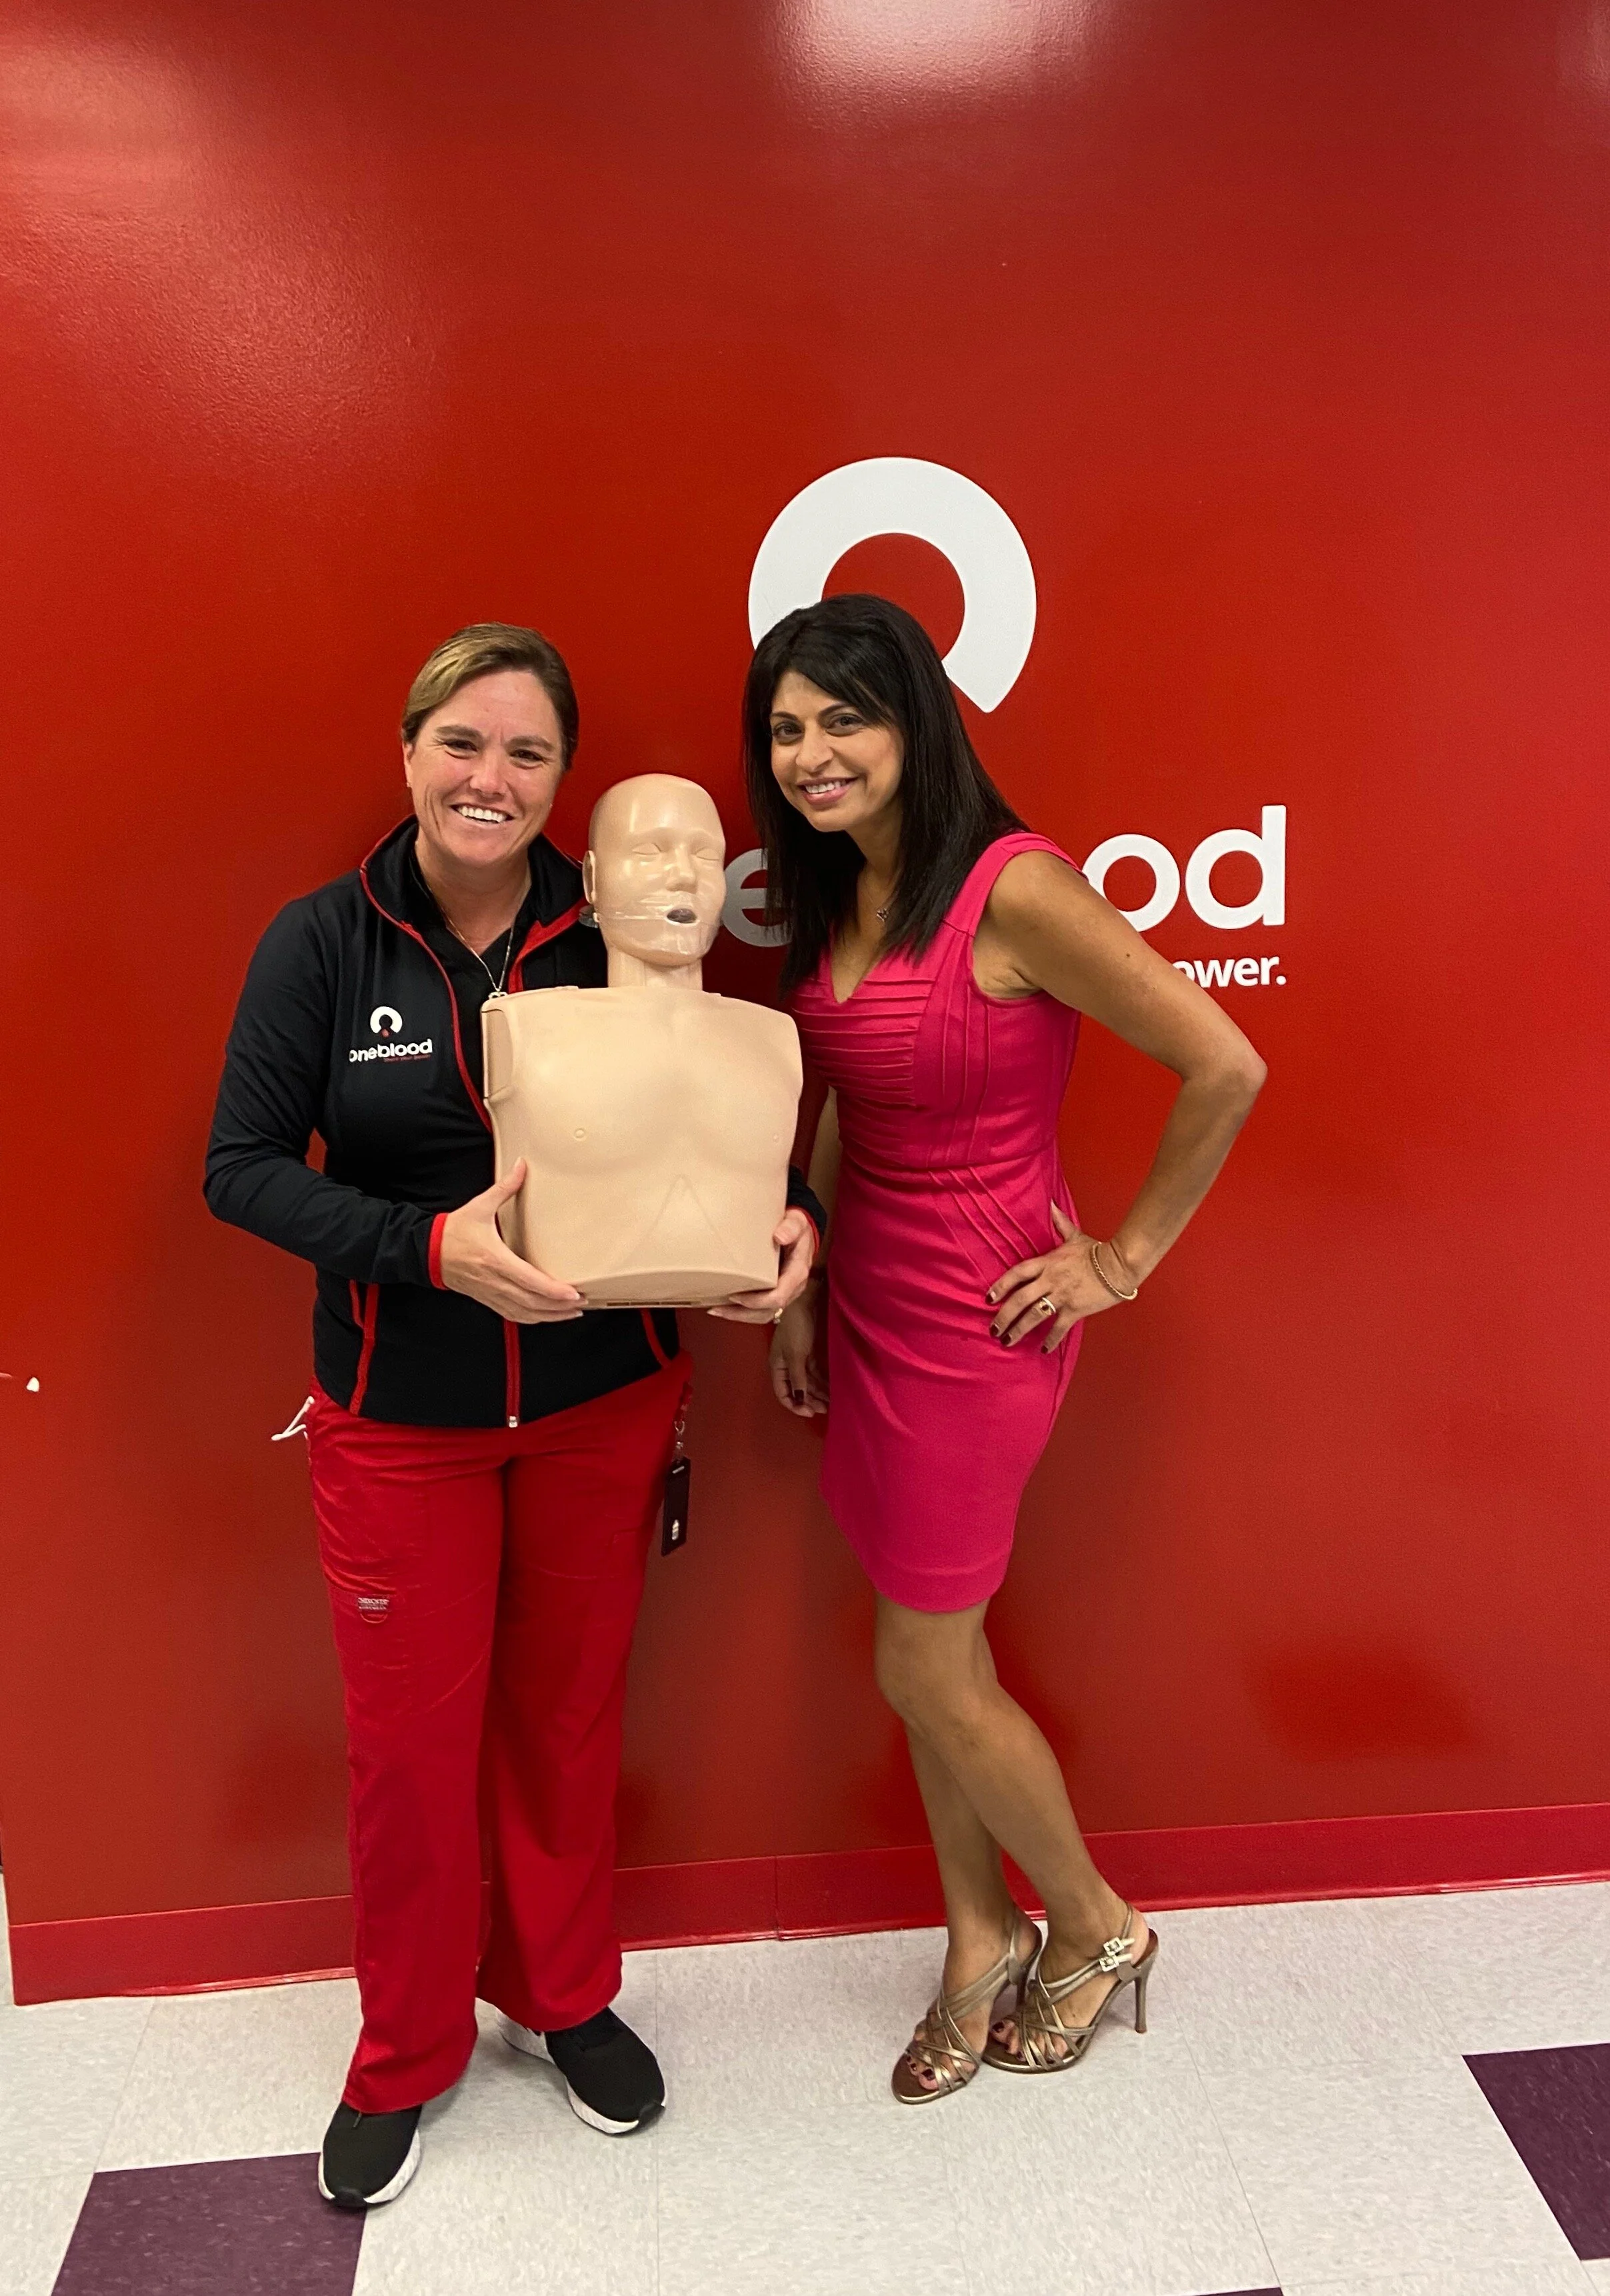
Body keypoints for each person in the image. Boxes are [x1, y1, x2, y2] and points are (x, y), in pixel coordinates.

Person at [205, 623, 821, 2207]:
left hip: (603, 1401)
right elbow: (242, 1168)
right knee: (408, 1752)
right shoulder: (322, 944)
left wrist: (794, 1222)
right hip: (395, 1410)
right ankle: (404, 2050)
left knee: (564, 1719)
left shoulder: (605, 925)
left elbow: (713, 1116)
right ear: (411, 750)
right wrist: (425, 1251)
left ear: (562, 784)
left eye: (528, 754)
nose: (491, 778)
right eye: (464, 743)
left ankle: (559, 1998)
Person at [751, 594, 1265, 2103]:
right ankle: (978, 1935)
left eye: (843, 718)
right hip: (869, 1303)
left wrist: (1118, 1259)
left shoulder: (1013, 887)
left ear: (915, 720)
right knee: (936, 1662)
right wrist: (800, 1283)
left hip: (983, 1316)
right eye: (785, 729)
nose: (810, 753)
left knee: (920, 1659)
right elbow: (849, 1099)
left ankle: (1097, 1927)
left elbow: (1222, 1061)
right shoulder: (847, 888)